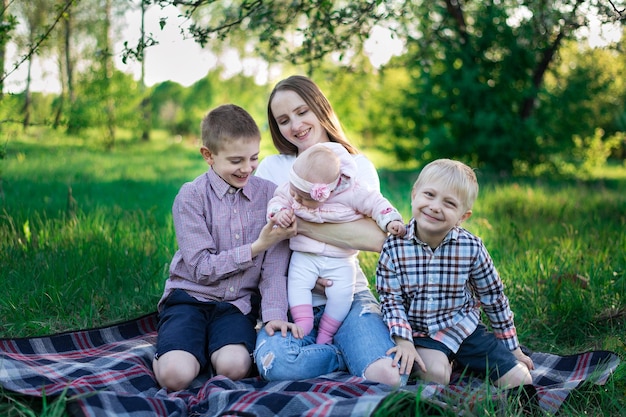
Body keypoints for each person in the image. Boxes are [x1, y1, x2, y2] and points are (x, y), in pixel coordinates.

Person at [253, 74, 403, 386]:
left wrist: (300, 223)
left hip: (347, 295)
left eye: (302, 111)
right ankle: (338, 354)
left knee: (390, 376)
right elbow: (265, 237)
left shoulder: (356, 167)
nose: (295, 125)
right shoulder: (273, 169)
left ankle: (342, 348)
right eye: (283, 120)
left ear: (320, 108)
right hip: (289, 299)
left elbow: (376, 238)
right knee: (276, 364)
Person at [152, 104, 300, 392]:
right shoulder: (191, 197)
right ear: (208, 155)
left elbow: (273, 271)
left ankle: (206, 349)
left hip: (237, 305)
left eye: (254, 158)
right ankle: (176, 351)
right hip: (190, 297)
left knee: (235, 367)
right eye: (236, 160)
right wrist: (256, 246)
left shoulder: (270, 195)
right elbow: (201, 268)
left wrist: (273, 316)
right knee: (175, 376)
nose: (247, 168)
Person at [376, 159, 535, 389]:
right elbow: (391, 301)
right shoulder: (394, 247)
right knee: (436, 376)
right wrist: (404, 342)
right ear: (414, 195)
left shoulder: (471, 247)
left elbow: (494, 297)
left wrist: (513, 348)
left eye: (449, 203)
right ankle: (448, 362)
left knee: (520, 380)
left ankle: (461, 359)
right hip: (423, 334)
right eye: (429, 195)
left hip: (464, 329)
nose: (435, 206)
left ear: (463, 216)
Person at [268, 142, 406, 345]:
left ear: (324, 193)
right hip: (304, 253)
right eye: (294, 192)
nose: (295, 198)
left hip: (341, 258)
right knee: (297, 285)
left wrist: (390, 220)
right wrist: (278, 212)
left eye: (302, 197)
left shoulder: (353, 191)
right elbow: (278, 198)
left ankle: (327, 332)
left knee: (342, 296)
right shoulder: (293, 187)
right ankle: (303, 323)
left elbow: (376, 203)